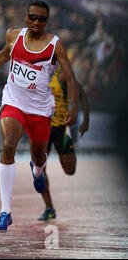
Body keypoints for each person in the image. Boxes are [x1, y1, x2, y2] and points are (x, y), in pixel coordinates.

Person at [0, 1, 79, 232]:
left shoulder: (55, 45)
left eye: (42, 19)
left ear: (47, 21)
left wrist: (74, 108)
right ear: (26, 17)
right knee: (8, 145)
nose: (37, 23)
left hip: (39, 110)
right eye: (33, 17)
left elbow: (71, 77)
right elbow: (3, 55)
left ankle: (37, 171)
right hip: (13, 102)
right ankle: (5, 212)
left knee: (39, 157)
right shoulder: (13, 36)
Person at [37, 67, 89, 220]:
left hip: (60, 129)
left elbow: (83, 95)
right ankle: (49, 208)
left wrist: (86, 120)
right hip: (41, 129)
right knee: (39, 171)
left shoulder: (63, 74)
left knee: (70, 170)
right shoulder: (35, 72)